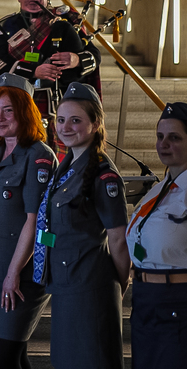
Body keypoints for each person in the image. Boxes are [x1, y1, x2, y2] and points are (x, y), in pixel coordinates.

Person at [31, 82, 130, 369]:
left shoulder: (103, 173)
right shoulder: (67, 165)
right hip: (65, 284)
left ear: (95, 123)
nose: (65, 127)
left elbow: (119, 241)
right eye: (61, 120)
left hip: (90, 287)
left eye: (76, 120)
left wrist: (116, 288)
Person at [0, 73, 55, 369]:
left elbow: (35, 220)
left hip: (20, 272)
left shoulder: (38, 156)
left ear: (25, 111)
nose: (0, 117)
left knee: (3, 355)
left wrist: (13, 272)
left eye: (8, 109)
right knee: (13, 353)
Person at [0, 0, 101, 157]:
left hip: (62, 102)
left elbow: (94, 57)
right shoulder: (5, 26)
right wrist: (34, 71)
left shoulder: (69, 21)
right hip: (21, 103)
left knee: (64, 160)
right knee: (22, 157)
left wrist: (75, 59)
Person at [125, 102, 187, 368]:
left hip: (177, 301)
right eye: (160, 136)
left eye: (174, 138)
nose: (164, 144)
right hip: (146, 298)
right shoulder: (159, 189)